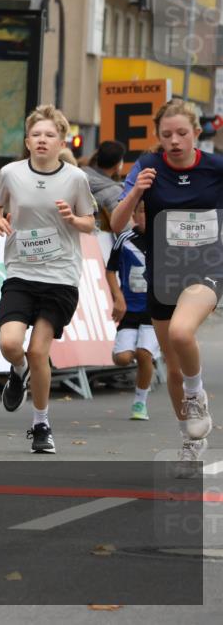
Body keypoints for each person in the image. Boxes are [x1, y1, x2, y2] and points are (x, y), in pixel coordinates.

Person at [110, 99, 223, 478]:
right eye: (167, 134)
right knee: (173, 367)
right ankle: (191, 442)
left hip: (207, 269)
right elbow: (116, 223)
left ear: (196, 134)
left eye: (182, 134)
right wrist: (136, 193)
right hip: (163, 275)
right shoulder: (147, 166)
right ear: (158, 135)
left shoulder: (216, 168)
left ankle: (197, 397)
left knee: (180, 332)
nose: (174, 141)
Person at [0, 104, 96, 454]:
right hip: (21, 270)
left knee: (38, 350)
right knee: (10, 343)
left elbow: (90, 222)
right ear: (27, 141)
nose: (42, 140)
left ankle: (41, 424)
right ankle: (17, 371)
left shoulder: (75, 179)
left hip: (60, 275)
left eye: (50, 135)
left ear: (62, 142)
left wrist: (73, 219)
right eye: (36, 134)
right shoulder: (10, 173)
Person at [106, 199, 159, 421]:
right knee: (123, 358)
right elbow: (110, 270)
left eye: (151, 211)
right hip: (129, 309)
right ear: (134, 216)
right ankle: (141, 355)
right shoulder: (124, 240)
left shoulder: (164, 240)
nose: (146, 215)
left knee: (143, 354)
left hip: (155, 311)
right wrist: (118, 298)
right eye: (142, 211)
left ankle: (140, 403)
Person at [83, 140, 126, 231]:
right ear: (117, 165)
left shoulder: (78, 176)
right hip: (101, 237)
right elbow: (123, 227)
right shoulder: (115, 192)